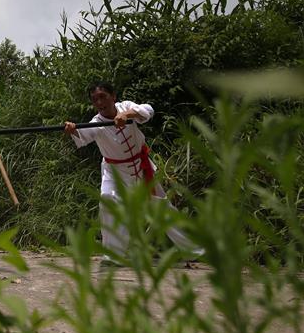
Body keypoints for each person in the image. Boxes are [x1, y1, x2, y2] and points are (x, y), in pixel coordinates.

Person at [63, 82, 201, 264]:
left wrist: (126, 115)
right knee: (108, 200)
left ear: (113, 96)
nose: (99, 102)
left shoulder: (126, 106)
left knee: (162, 208)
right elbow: (83, 136)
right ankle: (114, 254)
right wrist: (73, 129)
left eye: (103, 96)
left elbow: (148, 110)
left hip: (141, 167)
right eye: (95, 99)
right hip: (114, 172)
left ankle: (193, 251)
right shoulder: (96, 123)